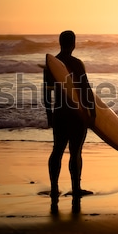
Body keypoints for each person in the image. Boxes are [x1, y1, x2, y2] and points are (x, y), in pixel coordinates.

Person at [43, 30, 96, 213]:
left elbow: (46, 92)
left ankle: (54, 189)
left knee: (57, 150)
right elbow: (86, 89)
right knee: (75, 152)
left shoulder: (51, 65)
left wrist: (49, 114)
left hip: (59, 113)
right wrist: (93, 112)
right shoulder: (76, 63)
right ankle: (75, 189)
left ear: (60, 43)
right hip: (76, 114)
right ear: (73, 43)